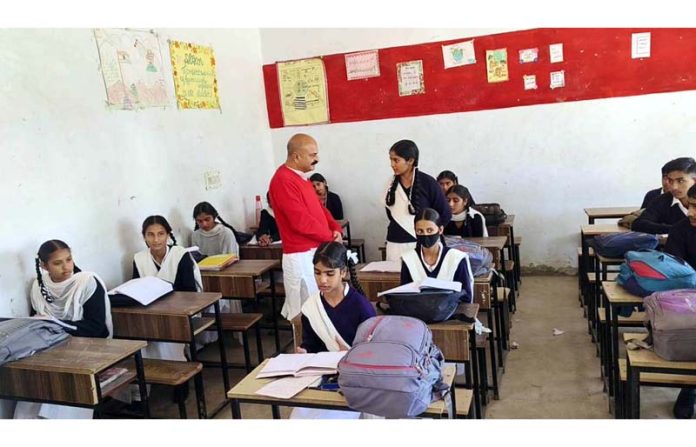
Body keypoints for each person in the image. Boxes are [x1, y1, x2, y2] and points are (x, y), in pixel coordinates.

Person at [14, 240, 112, 419]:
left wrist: (56, 324)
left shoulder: (87, 282)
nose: (66, 267)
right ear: (44, 266)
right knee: (34, 378)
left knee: (62, 382)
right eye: (57, 263)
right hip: (53, 346)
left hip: (89, 346)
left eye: (68, 260)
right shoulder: (38, 286)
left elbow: (97, 328)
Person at [292, 242, 375, 419]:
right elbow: (312, 344)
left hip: (357, 379)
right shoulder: (311, 307)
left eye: (330, 274)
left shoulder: (361, 307)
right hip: (326, 375)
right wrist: (304, 351)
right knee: (299, 416)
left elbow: (375, 352)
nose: (322, 280)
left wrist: (351, 355)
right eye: (317, 272)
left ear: (343, 272)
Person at [268, 134, 343, 319]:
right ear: (296, 157)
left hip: (316, 249)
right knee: (305, 312)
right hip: (299, 256)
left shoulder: (302, 178)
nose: (316, 159)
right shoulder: (283, 180)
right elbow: (299, 221)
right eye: (312, 155)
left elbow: (319, 209)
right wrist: (328, 237)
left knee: (321, 308)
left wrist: (336, 229)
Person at [133, 215, 202, 361]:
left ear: (168, 235)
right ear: (144, 237)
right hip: (152, 312)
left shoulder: (180, 254)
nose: (156, 240)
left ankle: (178, 368)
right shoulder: (139, 258)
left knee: (165, 336)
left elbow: (189, 291)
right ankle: (154, 374)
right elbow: (136, 289)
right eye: (150, 235)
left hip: (180, 311)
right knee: (141, 336)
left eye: (161, 234)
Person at [384, 140, 451, 262]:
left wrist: (429, 235)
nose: (392, 164)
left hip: (424, 244)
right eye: (391, 160)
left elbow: (444, 214)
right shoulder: (389, 184)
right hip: (395, 243)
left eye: (396, 160)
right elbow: (390, 214)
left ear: (410, 161)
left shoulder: (428, 183)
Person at [664, 183, 696, 419]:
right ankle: (689, 388)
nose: (691, 212)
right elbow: (676, 274)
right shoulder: (681, 230)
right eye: (691, 206)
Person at [399, 208, 474, 304]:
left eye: (429, 230)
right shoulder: (409, 258)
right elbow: (405, 295)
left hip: (451, 314)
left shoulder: (456, 258)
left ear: (440, 229)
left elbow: (466, 297)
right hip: (418, 313)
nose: (425, 234)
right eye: (420, 231)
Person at [191, 202, 241, 314]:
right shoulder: (195, 235)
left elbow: (231, 257)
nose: (204, 224)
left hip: (225, 276)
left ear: (214, 217)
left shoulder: (226, 233)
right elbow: (196, 257)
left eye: (207, 219)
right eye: (199, 221)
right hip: (205, 277)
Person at [633, 157, 696, 234]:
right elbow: (639, 224)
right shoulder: (663, 200)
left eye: (681, 181)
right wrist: (677, 230)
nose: (674, 187)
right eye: (670, 181)